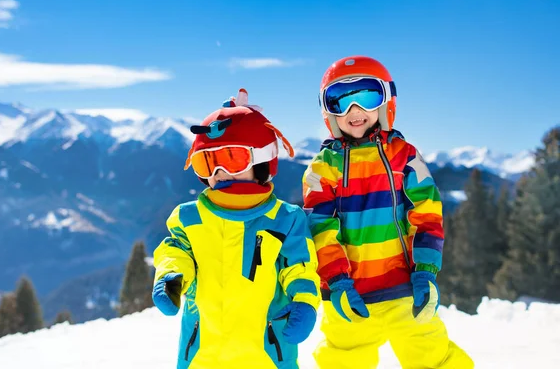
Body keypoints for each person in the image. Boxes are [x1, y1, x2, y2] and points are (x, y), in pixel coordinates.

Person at [303, 56, 474, 368]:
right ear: (328, 112)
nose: (354, 111)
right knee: (343, 360)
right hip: (348, 296)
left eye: (367, 97)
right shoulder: (320, 169)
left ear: (385, 104)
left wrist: (425, 270)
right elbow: (319, 229)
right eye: (339, 101)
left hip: (405, 288)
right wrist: (337, 281)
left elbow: (427, 214)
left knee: (432, 355)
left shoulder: (405, 157)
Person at [152, 89, 321, 369]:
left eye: (231, 159)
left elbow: (300, 265)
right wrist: (171, 275)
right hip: (203, 355)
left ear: (262, 161)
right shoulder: (189, 217)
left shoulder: (286, 219)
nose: (219, 172)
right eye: (207, 163)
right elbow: (176, 250)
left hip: (266, 355)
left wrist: (304, 299)